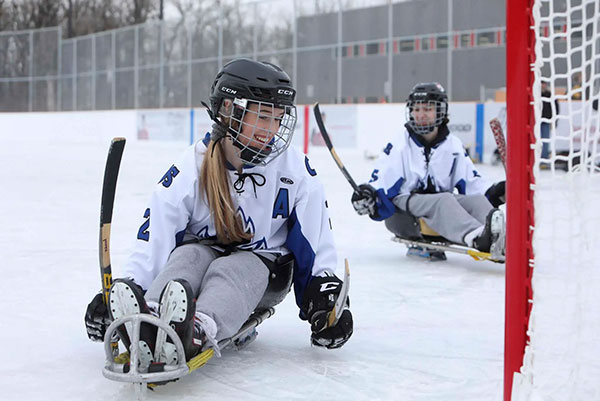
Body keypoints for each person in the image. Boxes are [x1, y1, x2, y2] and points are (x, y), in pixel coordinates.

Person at [84, 59, 353, 371]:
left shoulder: (296, 172)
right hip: (204, 257)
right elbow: (155, 238)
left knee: (235, 268)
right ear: (229, 109)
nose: (272, 130)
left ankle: (195, 331)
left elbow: (316, 242)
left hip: (264, 269)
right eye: (263, 117)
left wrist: (322, 297)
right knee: (188, 258)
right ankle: (147, 319)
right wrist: (131, 284)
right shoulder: (191, 166)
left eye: (278, 119)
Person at [350, 82, 506, 259]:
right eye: (416, 109)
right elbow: (382, 178)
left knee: (476, 201)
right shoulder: (400, 143)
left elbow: (472, 183)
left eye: (427, 109)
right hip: (404, 214)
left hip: (438, 207)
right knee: (444, 199)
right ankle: (477, 237)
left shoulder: (452, 145)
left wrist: (497, 192)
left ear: (441, 110)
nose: (420, 115)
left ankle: (503, 238)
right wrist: (368, 194)